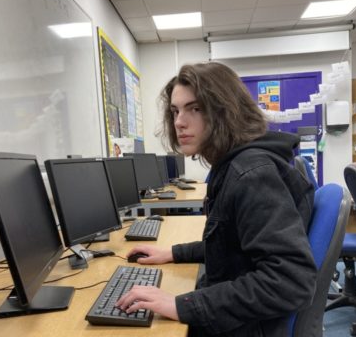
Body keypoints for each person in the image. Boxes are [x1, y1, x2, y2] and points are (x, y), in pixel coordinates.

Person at [116, 62, 317, 337]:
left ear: (226, 111)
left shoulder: (251, 175)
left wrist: (183, 305)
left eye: (195, 109)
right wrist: (173, 253)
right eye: (175, 111)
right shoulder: (235, 165)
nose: (179, 122)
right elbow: (230, 242)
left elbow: (290, 281)